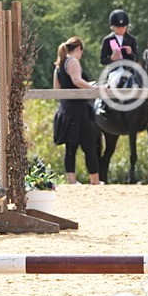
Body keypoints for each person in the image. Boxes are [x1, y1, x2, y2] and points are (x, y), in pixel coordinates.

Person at [52, 37, 100, 185]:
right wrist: (94, 88)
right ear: (78, 48)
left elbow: (56, 88)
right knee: (89, 146)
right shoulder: (73, 61)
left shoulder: (59, 64)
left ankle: (72, 181)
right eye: (81, 51)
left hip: (66, 109)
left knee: (70, 147)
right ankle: (95, 181)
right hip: (78, 110)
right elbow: (77, 81)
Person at [100, 9, 139, 89]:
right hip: (115, 70)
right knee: (114, 82)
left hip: (129, 70)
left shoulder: (131, 39)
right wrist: (111, 58)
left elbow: (136, 58)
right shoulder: (107, 40)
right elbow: (102, 60)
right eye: (118, 27)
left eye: (123, 27)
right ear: (112, 27)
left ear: (126, 27)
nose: (121, 29)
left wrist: (130, 53)